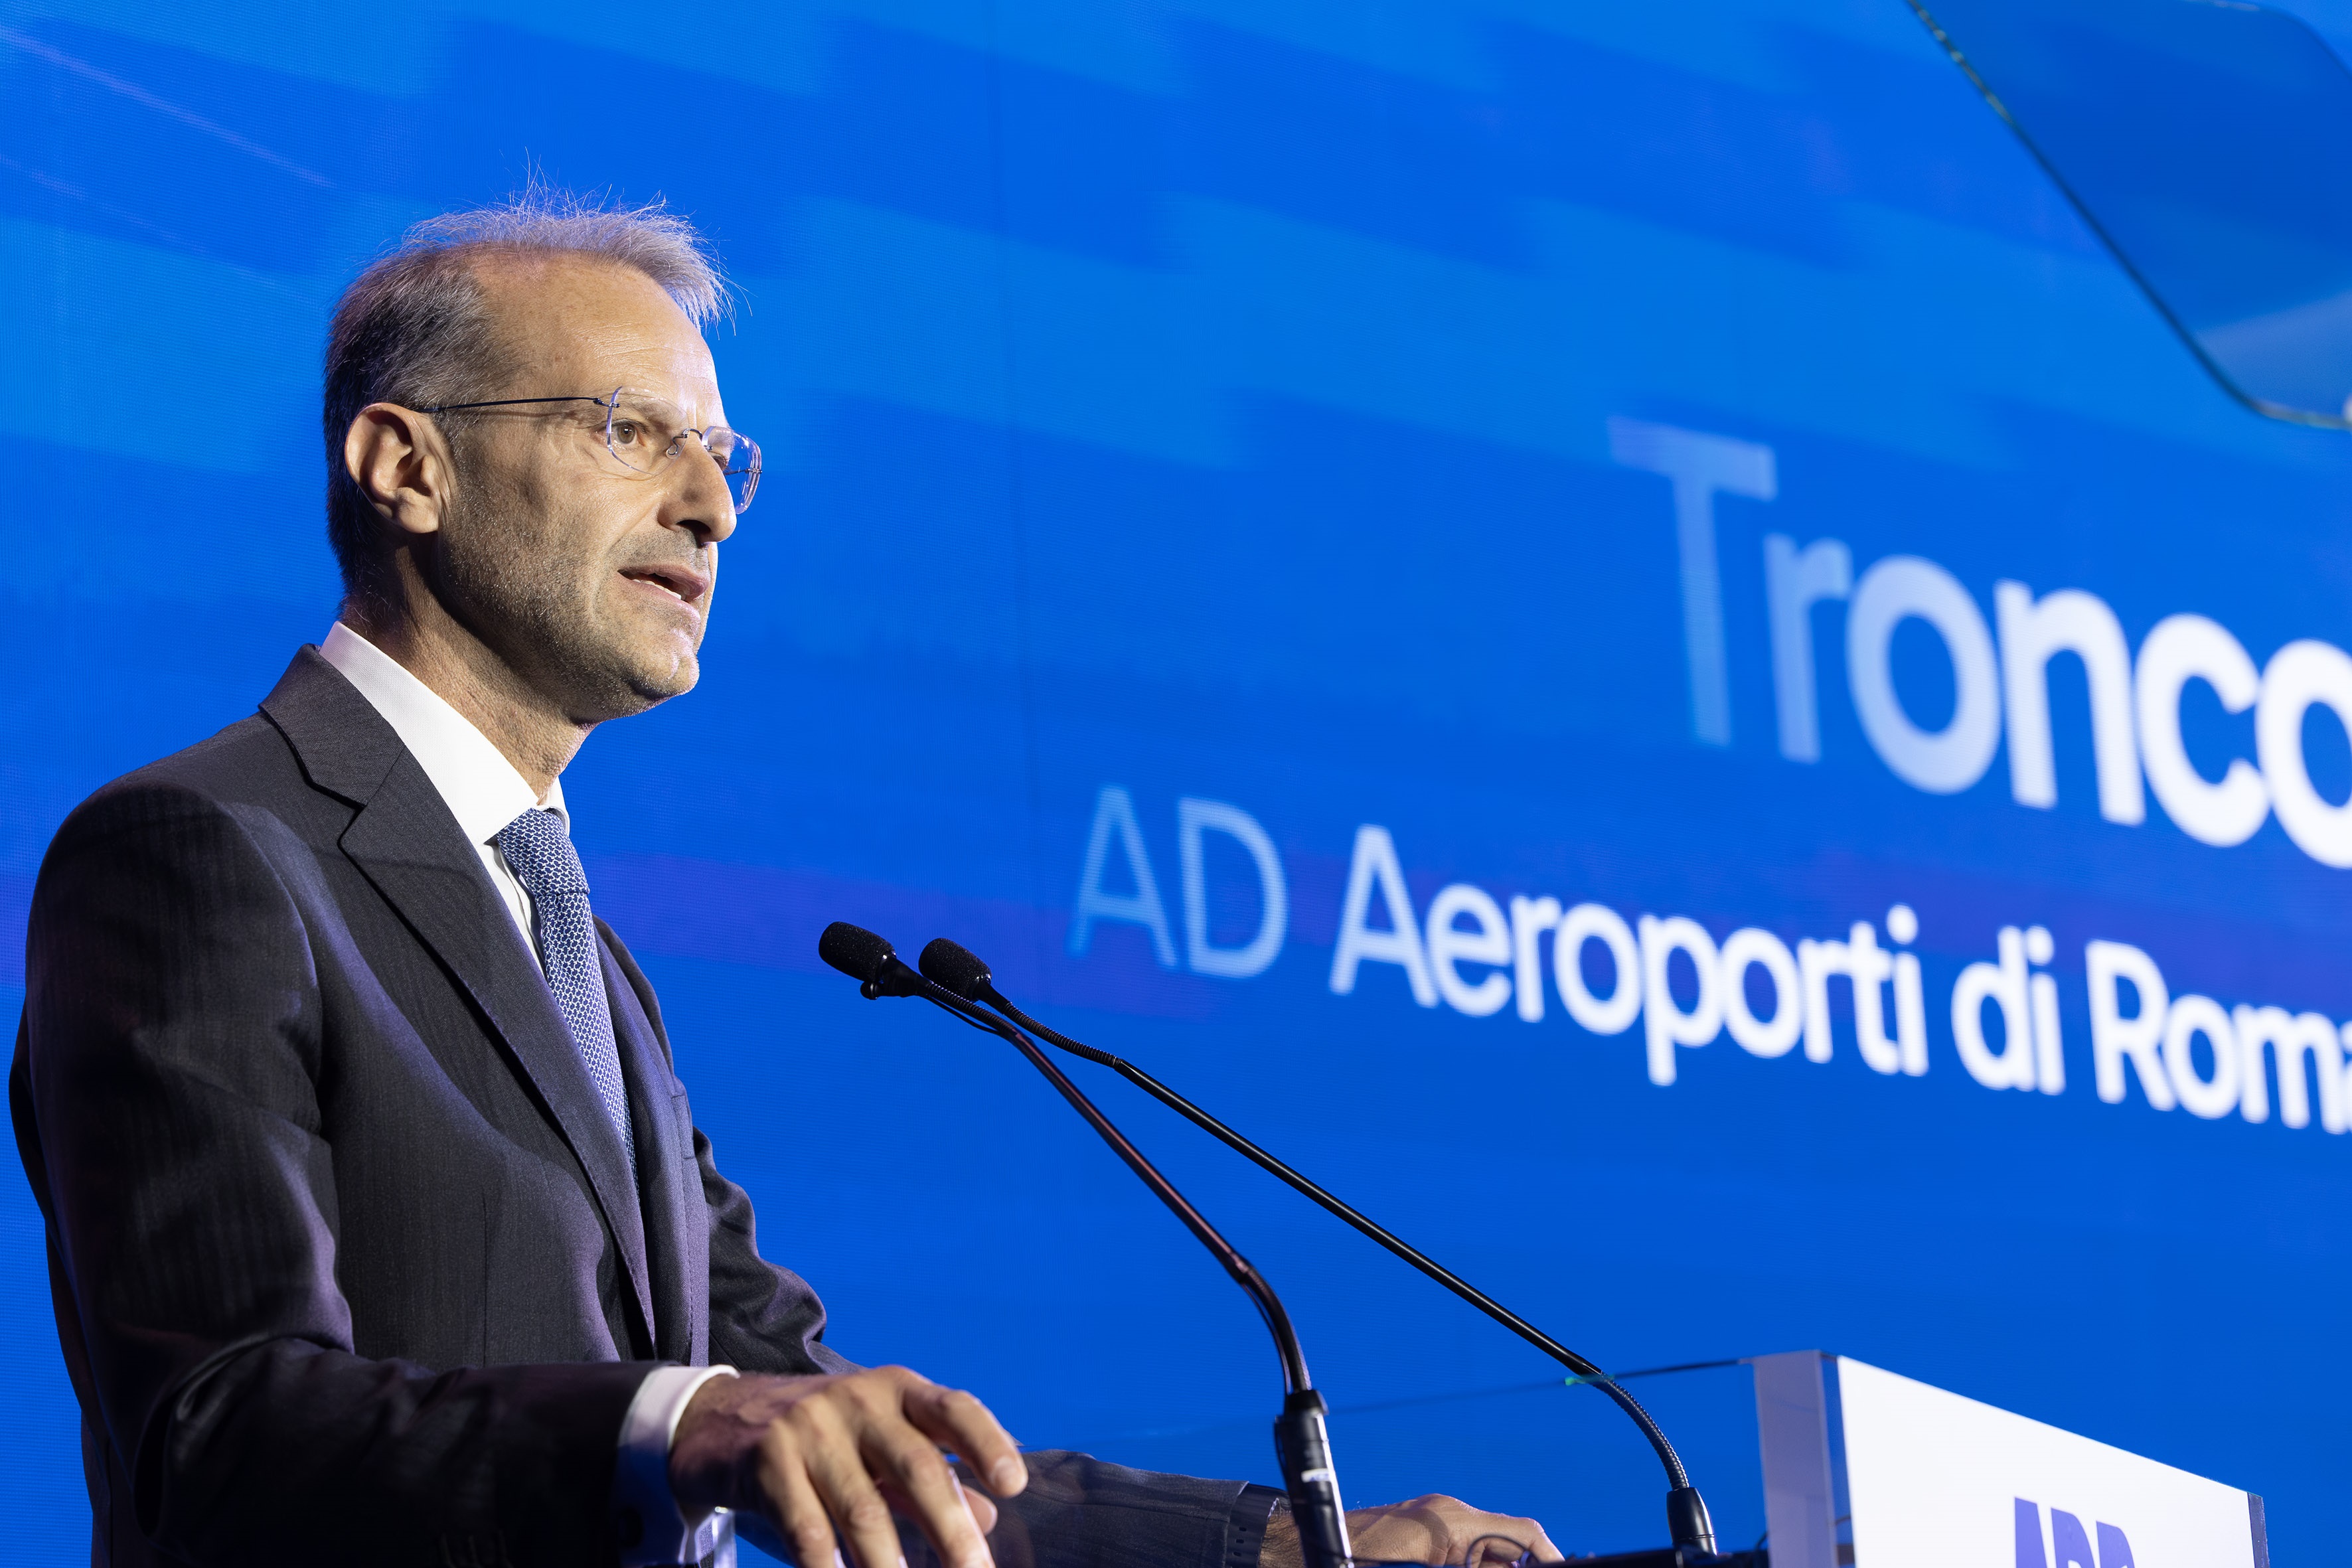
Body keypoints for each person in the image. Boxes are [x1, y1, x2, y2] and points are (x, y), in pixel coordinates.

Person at [11, 193, 1565, 1568]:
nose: (712, 504)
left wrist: (1291, 1544)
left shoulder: (577, 949)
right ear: (403, 464)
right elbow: (218, 1427)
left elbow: (834, 1433)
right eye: (629, 430)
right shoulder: (206, 849)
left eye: (719, 451)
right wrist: (678, 1421)